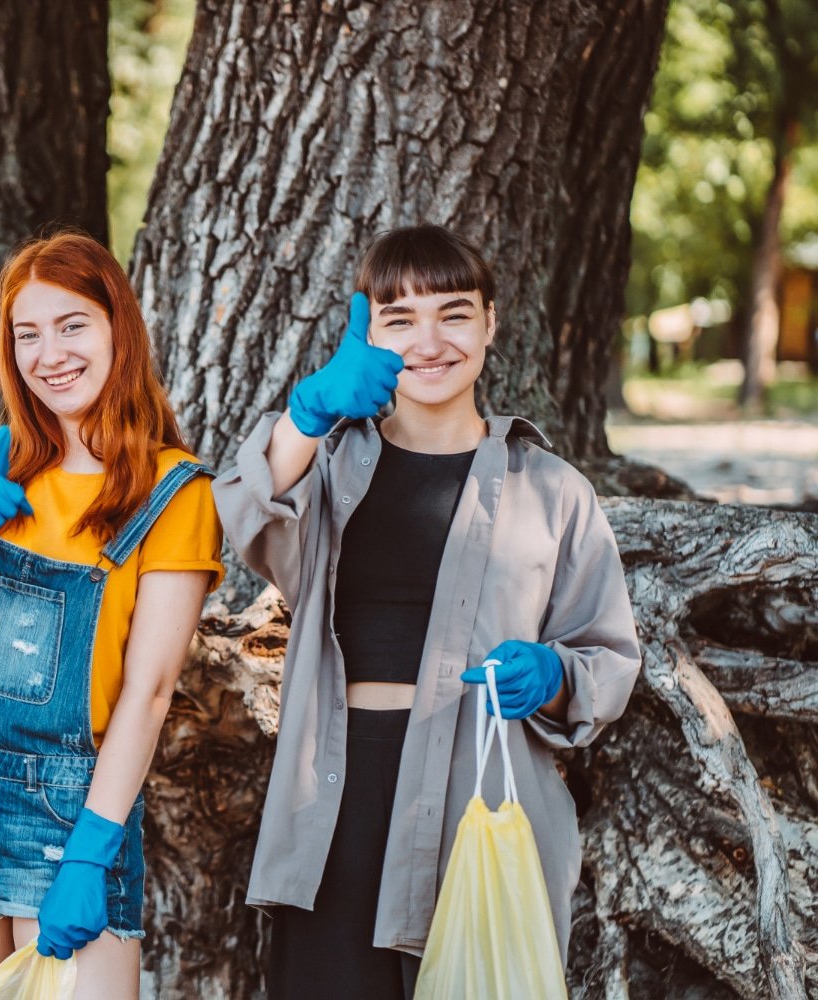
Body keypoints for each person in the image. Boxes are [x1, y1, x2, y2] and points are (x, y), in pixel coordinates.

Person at [212, 225, 640, 999]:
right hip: (332, 805)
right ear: (367, 334)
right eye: (400, 318)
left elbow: (606, 658)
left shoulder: (552, 488)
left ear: (491, 324)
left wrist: (551, 674)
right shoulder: (332, 465)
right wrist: (304, 418)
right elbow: (246, 517)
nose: (430, 340)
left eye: (454, 312)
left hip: (479, 797)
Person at [0, 231, 224, 1000]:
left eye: (72, 324)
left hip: (68, 813)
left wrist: (92, 851)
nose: (51, 354)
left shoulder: (173, 492)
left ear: (118, 329)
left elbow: (148, 690)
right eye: (27, 334)